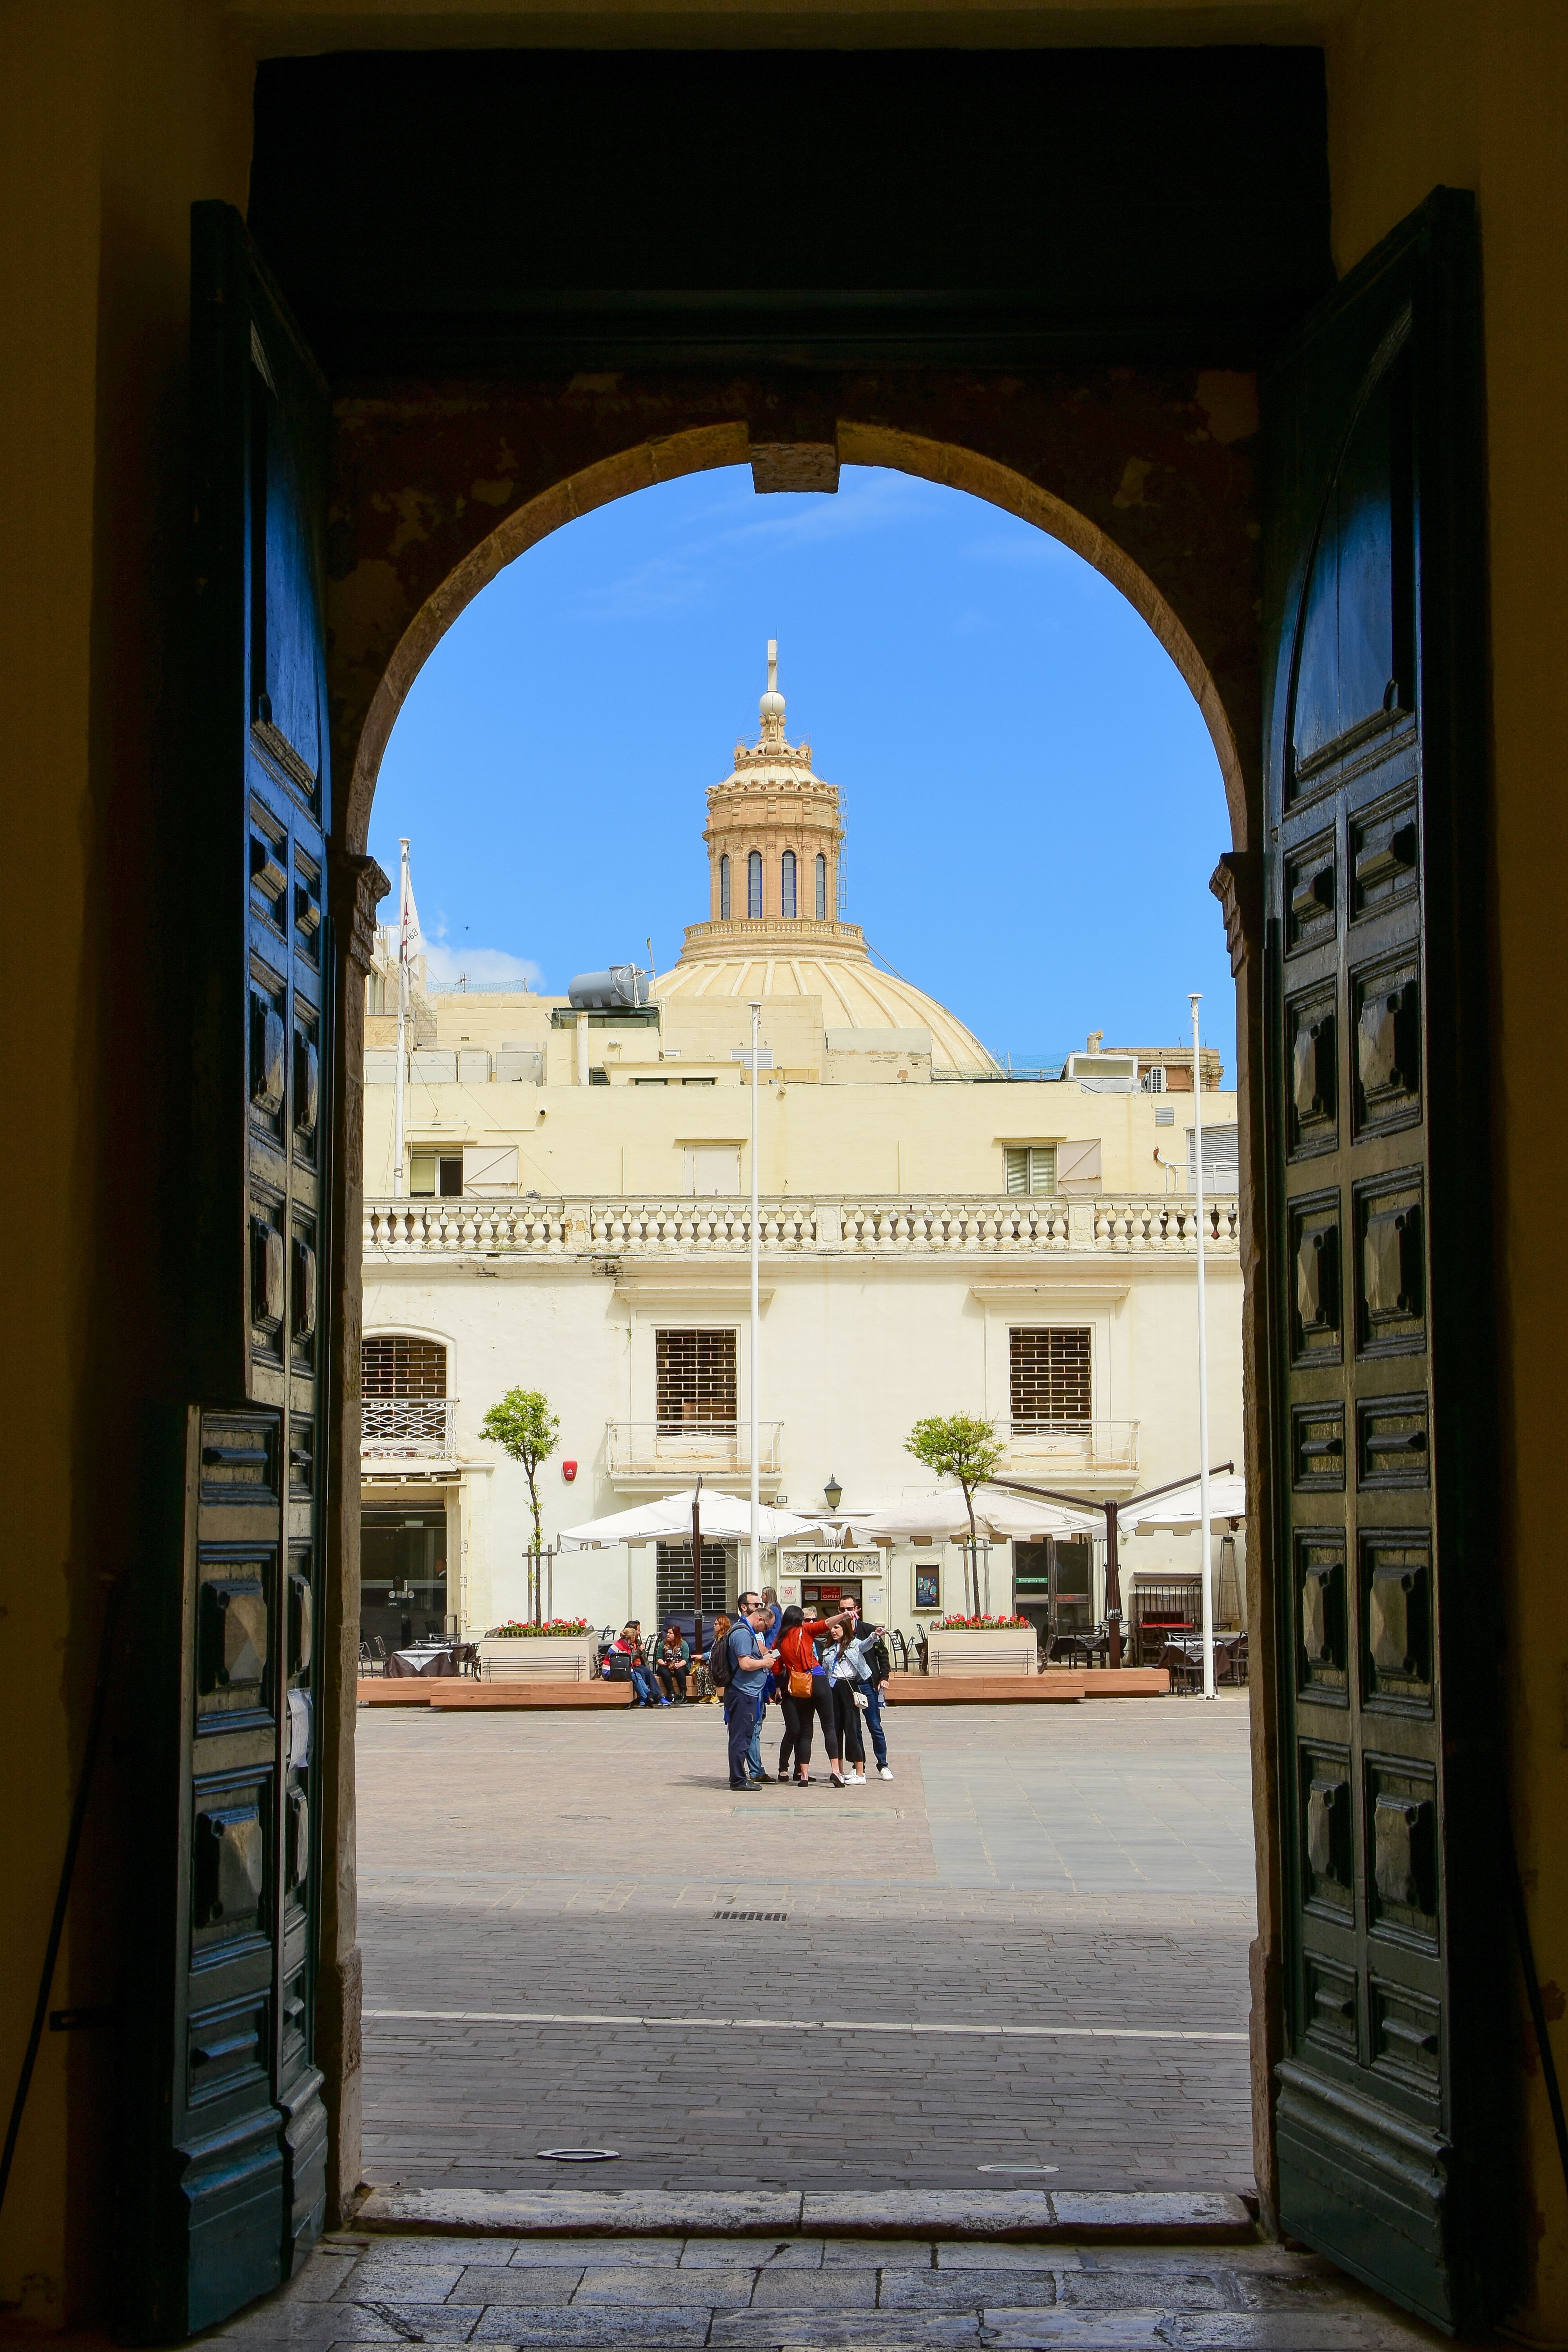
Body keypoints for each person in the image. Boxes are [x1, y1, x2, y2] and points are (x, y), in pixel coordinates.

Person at [774, 1604, 847, 1785]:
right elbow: (826, 1624)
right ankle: (836, 1772)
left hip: (800, 1686)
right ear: (800, 1619)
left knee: (806, 1731)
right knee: (829, 1727)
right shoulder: (805, 1630)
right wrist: (844, 1615)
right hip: (818, 1679)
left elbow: (775, 1668)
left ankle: (804, 1776)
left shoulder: (779, 1641)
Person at [720, 1591, 779, 1789]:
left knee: (743, 1736)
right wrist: (765, 1663)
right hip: (742, 1693)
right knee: (741, 1737)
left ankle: (738, 1777)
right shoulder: (742, 1633)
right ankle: (738, 1780)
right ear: (760, 1619)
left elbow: (755, 1652)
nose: (766, 1630)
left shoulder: (747, 1631)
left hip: (747, 1692)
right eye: (767, 1627)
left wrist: (765, 1655)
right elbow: (745, 1664)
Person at [826, 1619, 878, 1782]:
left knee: (852, 1729)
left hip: (849, 1686)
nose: (833, 1631)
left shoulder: (854, 1644)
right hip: (833, 1687)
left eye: (837, 1627)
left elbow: (866, 1645)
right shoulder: (829, 1649)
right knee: (836, 1730)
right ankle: (839, 1771)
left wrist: (874, 1636)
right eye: (832, 1628)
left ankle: (860, 1773)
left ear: (845, 1628)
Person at [849, 1607, 894, 1779]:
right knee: (854, 1728)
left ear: (856, 1610)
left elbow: (882, 1655)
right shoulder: (838, 1631)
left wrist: (884, 1677)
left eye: (850, 1609)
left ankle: (883, 1765)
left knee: (875, 1726)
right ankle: (858, 1766)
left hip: (868, 1684)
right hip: (850, 1686)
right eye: (843, 1609)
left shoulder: (868, 1630)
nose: (847, 1612)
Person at [655, 1621, 691, 1703]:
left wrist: (679, 1665)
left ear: (676, 1635)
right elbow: (659, 1658)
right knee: (663, 1671)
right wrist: (663, 1663)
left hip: (680, 1665)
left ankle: (683, 1695)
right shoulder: (663, 1644)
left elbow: (685, 1659)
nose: (668, 1635)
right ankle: (672, 1694)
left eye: (671, 1633)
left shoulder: (683, 1644)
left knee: (680, 1672)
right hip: (667, 1666)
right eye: (667, 1633)